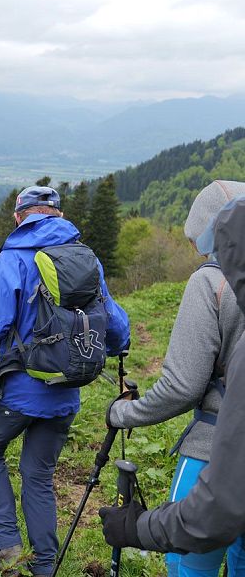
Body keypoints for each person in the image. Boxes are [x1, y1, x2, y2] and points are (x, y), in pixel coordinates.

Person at [0, 185, 130, 577]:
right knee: (38, 475)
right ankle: (43, 565)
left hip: (15, 391)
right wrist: (115, 349)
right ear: (58, 215)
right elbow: (116, 327)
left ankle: (8, 549)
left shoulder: (14, 256)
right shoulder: (85, 258)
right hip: (65, 393)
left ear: (19, 216)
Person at [105, 180, 245, 577]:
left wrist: (123, 413)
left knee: (188, 566)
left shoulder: (208, 283)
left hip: (211, 450)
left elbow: (182, 386)